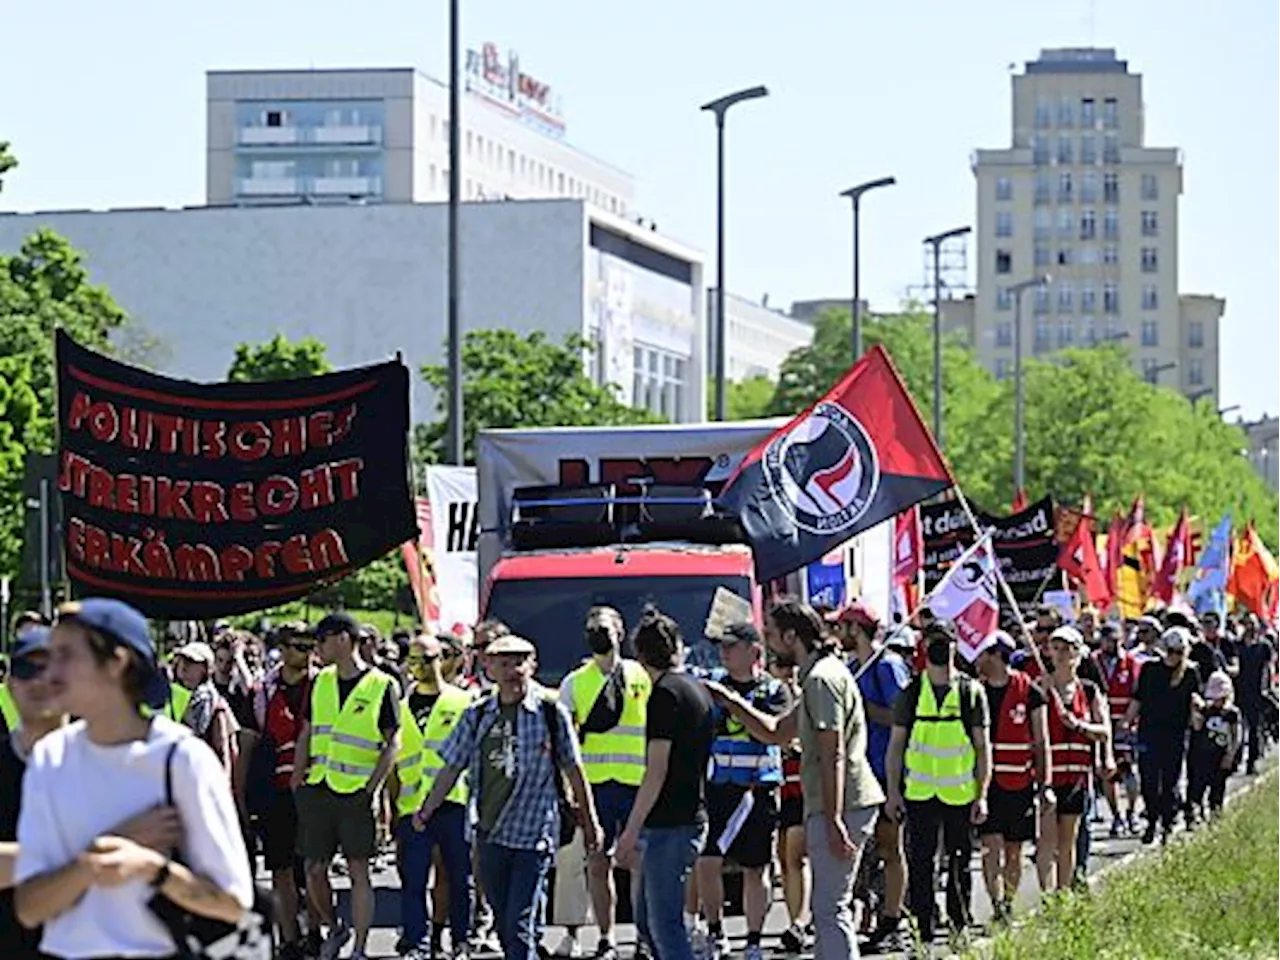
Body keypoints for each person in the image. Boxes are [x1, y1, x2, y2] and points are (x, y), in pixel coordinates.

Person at [14, 599, 253, 959]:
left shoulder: (182, 759)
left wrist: (152, 870)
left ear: (116, 662)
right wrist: (98, 859)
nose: (50, 673)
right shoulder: (51, 757)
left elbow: (232, 902)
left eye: (66, 655)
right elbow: (29, 907)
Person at [705, 598, 884, 960]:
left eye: (770, 635)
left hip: (843, 803)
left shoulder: (821, 679)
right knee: (830, 908)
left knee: (830, 909)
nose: (765, 643)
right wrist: (730, 701)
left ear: (791, 636)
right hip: (837, 802)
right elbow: (776, 731)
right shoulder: (822, 673)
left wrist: (832, 820)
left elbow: (831, 751)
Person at [418, 633, 602, 960]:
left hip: (533, 836)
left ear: (532, 666)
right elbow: (451, 768)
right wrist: (427, 809)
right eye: (504, 663)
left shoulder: (549, 712)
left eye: (519, 662)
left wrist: (591, 824)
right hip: (489, 834)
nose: (512, 671)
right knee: (505, 926)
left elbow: (574, 770)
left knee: (518, 929)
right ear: (488, 667)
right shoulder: (477, 715)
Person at [291, 612, 402, 960]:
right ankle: (335, 927)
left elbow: (392, 742)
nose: (317, 649)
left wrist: (371, 789)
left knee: (359, 872)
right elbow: (308, 731)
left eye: (321, 640)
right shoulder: (321, 681)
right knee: (314, 870)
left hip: (356, 792)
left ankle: (359, 947)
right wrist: (298, 774)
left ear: (343, 639)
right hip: (319, 787)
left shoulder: (382, 684)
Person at [885, 619, 991, 952]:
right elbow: (896, 746)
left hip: (960, 793)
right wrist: (892, 791)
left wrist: (982, 794)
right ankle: (924, 933)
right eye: (933, 641)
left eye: (944, 641)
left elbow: (982, 747)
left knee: (960, 863)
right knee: (921, 865)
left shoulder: (970, 691)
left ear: (956, 646)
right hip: (919, 792)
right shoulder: (912, 692)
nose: (938, 647)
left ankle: (959, 927)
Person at [615, 608, 714, 960]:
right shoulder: (695, 690)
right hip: (686, 816)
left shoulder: (665, 696)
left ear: (639, 654)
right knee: (647, 920)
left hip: (670, 823)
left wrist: (631, 829)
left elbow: (656, 769)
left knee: (664, 926)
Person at [559, 606, 651, 960]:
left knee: (639, 863)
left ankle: (642, 936)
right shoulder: (575, 682)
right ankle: (606, 937)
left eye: (604, 629)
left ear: (621, 632)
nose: (599, 635)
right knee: (598, 863)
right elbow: (566, 740)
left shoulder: (641, 676)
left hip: (636, 783)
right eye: (592, 629)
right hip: (595, 787)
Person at [695, 622, 788, 960]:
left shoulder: (773, 690)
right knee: (707, 862)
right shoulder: (712, 687)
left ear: (754, 651)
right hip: (719, 789)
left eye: (733, 646)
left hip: (757, 790)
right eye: (723, 646)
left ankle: (753, 940)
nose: (725, 652)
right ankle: (716, 932)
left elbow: (771, 732)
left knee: (756, 868)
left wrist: (733, 704)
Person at [831, 600, 912, 952]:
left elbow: (902, 716)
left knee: (890, 847)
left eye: (843, 626)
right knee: (863, 850)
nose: (838, 633)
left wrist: (862, 711)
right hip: (859, 773)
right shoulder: (850, 668)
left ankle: (894, 918)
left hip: (887, 770)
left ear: (857, 629)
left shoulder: (887, 666)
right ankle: (868, 913)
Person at [243, 620, 320, 960]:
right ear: (283, 649)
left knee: (314, 868)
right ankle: (289, 940)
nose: (305, 652)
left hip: (314, 788)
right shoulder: (262, 691)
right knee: (281, 868)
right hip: (275, 790)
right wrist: (240, 791)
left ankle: (316, 933)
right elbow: (248, 741)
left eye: (309, 645)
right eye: (297, 645)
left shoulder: (323, 685)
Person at [394, 635, 473, 960]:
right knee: (413, 880)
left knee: (458, 877)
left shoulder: (463, 701)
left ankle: (460, 941)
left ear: (441, 659)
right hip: (412, 806)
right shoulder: (400, 707)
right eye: (414, 660)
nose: (421, 666)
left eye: (427, 659)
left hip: (454, 802)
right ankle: (417, 943)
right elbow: (393, 763)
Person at [973, 630, 1049, 922]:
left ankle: (1008, 899)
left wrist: (1046, 784)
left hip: (1019, 783)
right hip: (985, 783)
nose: (978, 658)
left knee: (1014, 850)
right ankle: (996, 905)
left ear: (996, 655)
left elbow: (1041, 742)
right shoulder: (975, 691)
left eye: (983, 652)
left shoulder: (1030, 692)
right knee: (990, 847)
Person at [1038, 626, 1110, 892]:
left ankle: (1063, 891)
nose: (1061, 654)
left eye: (1067, 648)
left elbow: (1103, 731)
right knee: (1047, 838)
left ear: (1078, 653)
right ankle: (1046, 893)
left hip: (1077, 775)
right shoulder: (1041, 688)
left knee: (1068, 839)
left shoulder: (1088, 691)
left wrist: (1079, 725)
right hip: (1048, 773)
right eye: (1056, 648)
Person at [1125, 626, 1202, 844]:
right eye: (1170, 651)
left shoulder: (1189, 673)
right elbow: (1138, 699)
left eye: (1178, 652)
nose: (1173, 656)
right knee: (1148, 779)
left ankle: (1167, 823)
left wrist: (1197, 711)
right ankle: (1151, 819)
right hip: (1148, 731)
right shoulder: (1150, 669)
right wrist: (1126, 722)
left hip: (1175, 733)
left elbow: (1194, 699)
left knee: (1170, 780)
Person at [768, 654, 809, 956]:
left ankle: (799, 922)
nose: (787, 674)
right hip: (775, 787)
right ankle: (795, 918)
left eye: (791, 668)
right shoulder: (768, 696)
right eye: (781, 667)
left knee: (796, 856)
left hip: (801, 787)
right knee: (783, 857)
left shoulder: (806, 696)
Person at [1092, 621, 1142, 835]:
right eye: (1106, 639)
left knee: (1129, 770)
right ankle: (1116, 816)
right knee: (1107, 772)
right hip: (1103, 723)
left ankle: (1132, 811)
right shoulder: (1093, 662)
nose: (1110, 643)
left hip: (1125, 724)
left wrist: (1129, 720)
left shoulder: (1131, 663)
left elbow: (1137, 694)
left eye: (1114, 639)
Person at [172, 641, 240, 775]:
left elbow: (224, 750)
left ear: (206, 668)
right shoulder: (171, 695)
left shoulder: (213, 702)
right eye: (181, 660)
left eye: (191, 661)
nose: (184, 666)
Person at [1187, 670, 1241, 822]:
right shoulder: (1207, 710)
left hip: (1221, 754)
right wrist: (1195, 711)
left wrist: (1230, 755)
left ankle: (1215, 815)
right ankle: (1196, 813)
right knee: (1199, 786)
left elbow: (1235, 735)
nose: (1218, 701)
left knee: (1218, 788)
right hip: (1203, 755)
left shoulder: (1232, 713)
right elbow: (1197, 727)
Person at [1235, 618, 1275, 775]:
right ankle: (1235, 761)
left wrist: (1267, 688)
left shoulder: (1264, 646)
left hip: (1256, 692)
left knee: (1254, 728)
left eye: (1252, 624)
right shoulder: (1237, 645)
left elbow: (1268, 668)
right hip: (1239, 691)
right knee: (1238, 727)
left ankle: (1252, 761)